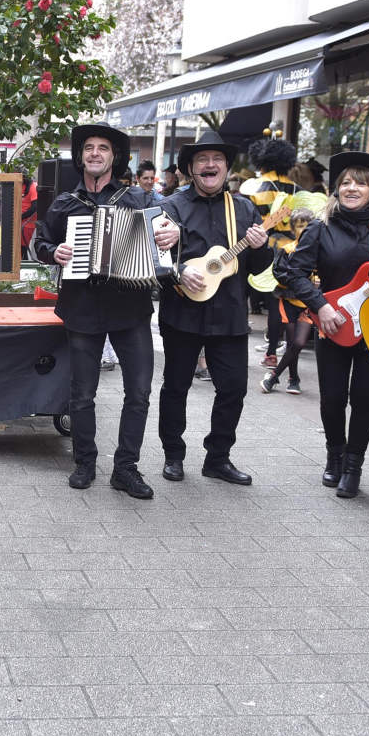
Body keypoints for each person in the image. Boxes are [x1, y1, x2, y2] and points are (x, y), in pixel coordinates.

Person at [33, 123, 179, 499]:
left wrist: (172, 233)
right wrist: (55, 253)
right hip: (82, 308)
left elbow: (167, 231)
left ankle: (125, 468)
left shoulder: (140, 201)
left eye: (103, 148)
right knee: (81, 394)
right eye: (89, 148)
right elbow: (41, 243)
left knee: (140, 392)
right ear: (81, 157)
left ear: (114, 158)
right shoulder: (66, 203)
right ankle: (84, 461)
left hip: (130, 309)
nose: (95, 153)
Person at [273, 153, 369, 497]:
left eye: (359, 182)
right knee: (332, 398)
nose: (351, 188)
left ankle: (353, 465)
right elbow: (293, 272)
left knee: (365, 398)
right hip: (333, 325)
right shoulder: (320, 227)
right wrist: (320, 307)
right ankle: (334, 455)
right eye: (345, 182)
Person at [157, 130, 270, 486]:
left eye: (217, 159)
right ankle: (173, 455)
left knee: (234, 388)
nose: (210, 165)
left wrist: (262, 246)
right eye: (202, 160)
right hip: (183, 312)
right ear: (191, 168)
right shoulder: (171, 206)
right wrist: (178, 272)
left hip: (230, 314)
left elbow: (255, 266)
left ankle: (217, 458)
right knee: (176, 387)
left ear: (225, 167)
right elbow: (153, 259)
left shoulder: (244, 208)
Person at [240, 138, 300, 358]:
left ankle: (246, 336)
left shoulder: (253, 187)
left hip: (260, 245)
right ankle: (274, 349)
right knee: (279, 299)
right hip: (292, 248)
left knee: (245, 290)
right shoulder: (297, 189)